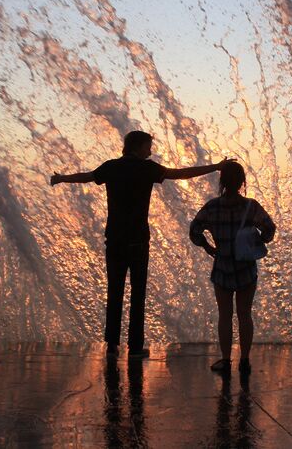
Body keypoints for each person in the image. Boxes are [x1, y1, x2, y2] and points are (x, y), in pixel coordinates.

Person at [50, 130, 234, 358]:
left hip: (115, 241)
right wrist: (215, 167)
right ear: (137, 147)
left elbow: (86, 177)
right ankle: (135, 348)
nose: (150, 151)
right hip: (138, 241)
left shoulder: (111, 167)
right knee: (138, 294)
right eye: (148, 146)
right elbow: (182, 174)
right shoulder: (148, 169)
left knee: (114, 292)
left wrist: (61, 178)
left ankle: (112, 347)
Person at [189, 162, 275, 375]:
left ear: (222, 182)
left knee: (225, 315)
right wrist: (258, 240)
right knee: (245, 314)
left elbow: (194, 231)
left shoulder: (212, 207)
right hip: (246, 268)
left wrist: (208, 246)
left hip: (222, 267)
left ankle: (226, 360)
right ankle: (244, 360)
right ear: (242, 182)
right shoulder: (250, 206)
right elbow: (270, 229)